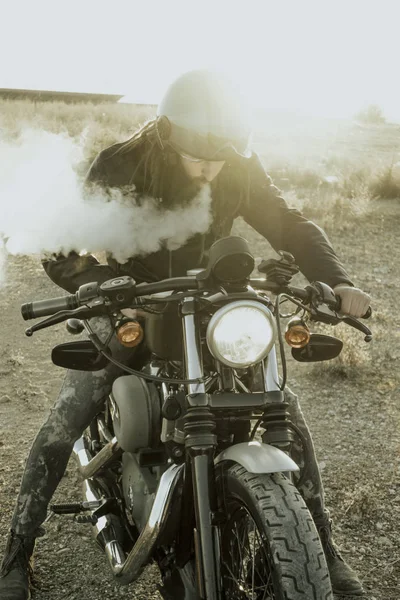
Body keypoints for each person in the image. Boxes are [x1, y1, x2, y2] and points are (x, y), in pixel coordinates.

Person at [0, 69, 370, 600]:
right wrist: (102, 283)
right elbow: (62, 245)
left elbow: (287, 222)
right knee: (70, 414)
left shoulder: (236, 164)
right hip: (128, 298)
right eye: (200, 157)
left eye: (222, 159)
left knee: (281, 406)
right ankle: (17, 554)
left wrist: (336, 279)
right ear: (170, 135)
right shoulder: (120, 163)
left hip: (210, 299)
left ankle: (325, 554)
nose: (211, 169)